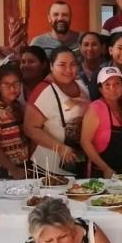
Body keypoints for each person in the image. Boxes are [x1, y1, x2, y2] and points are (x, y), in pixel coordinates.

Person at [25, 46, 90, 176]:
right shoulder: (44, 90)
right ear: (51, 66)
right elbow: (29, 128)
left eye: (73, 64)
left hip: (78, 162)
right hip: (49, 168)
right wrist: (60, 148)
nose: (68, 69)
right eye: (62, 65)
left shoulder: (80, 84)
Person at [80, 67, 122, 178]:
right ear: (100, 89)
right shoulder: (96, 108)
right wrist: (105, 168)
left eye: (117, 83)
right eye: (107, 85)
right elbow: (85, 141)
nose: (112, 88)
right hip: (103, 174)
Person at [0, 64, 29, 179]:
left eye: (16, 84)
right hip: (3, 170)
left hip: (20, 166)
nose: (13, 89)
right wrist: (12, 169)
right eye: (7, 85)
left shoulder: (18, 107)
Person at [78, 32, 106, 99]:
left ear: (102, 47)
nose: (90, 49)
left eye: (94, 44)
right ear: (80, 47)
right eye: (86, 44)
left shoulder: (108, 68)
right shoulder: (74, 69)